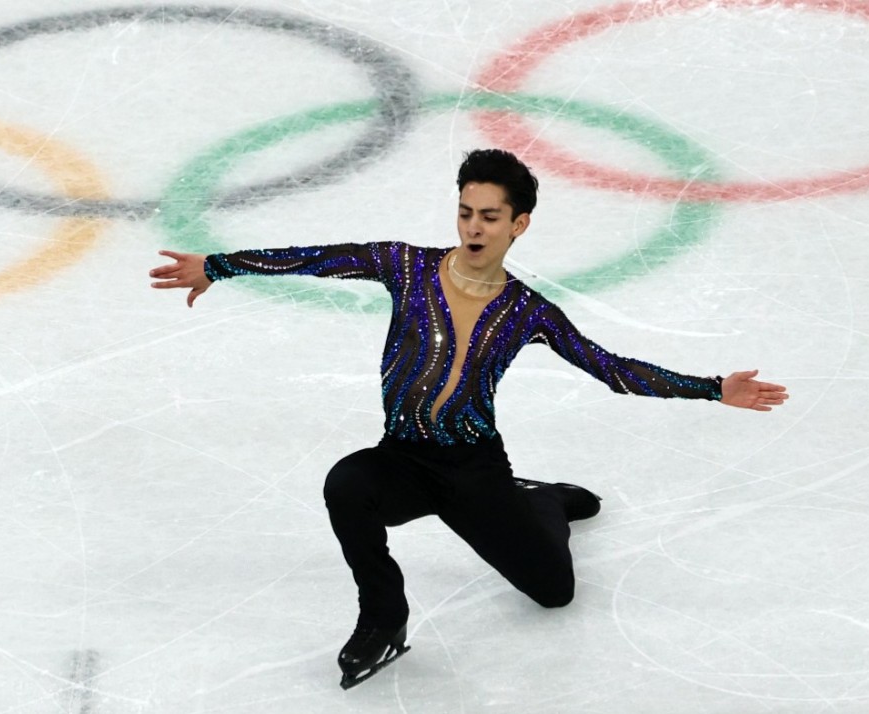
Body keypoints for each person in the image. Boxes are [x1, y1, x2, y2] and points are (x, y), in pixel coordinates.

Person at [147, 148, 789, 689]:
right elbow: (317, 258)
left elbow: (610, 369)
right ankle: (383, 617)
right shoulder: (407, 267)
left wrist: (712, 389)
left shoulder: (528, 311)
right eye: (465, 212)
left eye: (489, 216)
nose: (473, 228)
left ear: (519, 224)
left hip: (474, 469)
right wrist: (219, 267)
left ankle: (542, 501)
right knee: (347, 484)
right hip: (402, 458)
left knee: (555, 593)